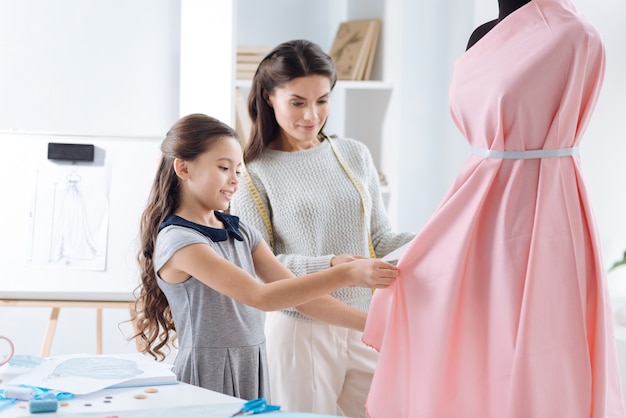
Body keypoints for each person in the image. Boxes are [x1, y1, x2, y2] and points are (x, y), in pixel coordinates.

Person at [363, 0, 626, 417]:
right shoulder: (481, 34)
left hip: (547, 202)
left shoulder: (575, 34)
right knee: (457, 316)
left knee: (543, 342)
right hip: (478, 195)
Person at [131, 113, 399, 401]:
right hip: (207, 373)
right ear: (183, 168)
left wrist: (373, 325)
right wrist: (345, 275)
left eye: (237, 171)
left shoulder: (240, 231)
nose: (234, 181)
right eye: (223, 168)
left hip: (253, 364)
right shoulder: (181, 242)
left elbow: (303, 299)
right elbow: (261, 296)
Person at [229, 40, 414, 417]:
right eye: (297, 102)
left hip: (365, 324)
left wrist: (440, 239)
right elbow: (262, 269)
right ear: (268, 98)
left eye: (322, 100)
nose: (311, 115)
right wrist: (333, 266)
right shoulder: (252, 173)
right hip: (302, 330)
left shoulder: (353, 154)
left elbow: (380, 240)